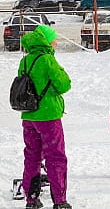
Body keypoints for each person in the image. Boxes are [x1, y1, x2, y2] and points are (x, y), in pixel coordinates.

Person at [19, 25, 72, 209]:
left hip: (29, 116)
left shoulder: (25, 60)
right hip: (48, 116)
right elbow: (64, 85)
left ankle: (31, 199)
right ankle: (59, 200)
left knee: (32, 156)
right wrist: (62, 72)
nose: (56, 42)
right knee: (55, 156)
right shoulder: (48, 60)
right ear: (48, 41)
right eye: (54, 39)